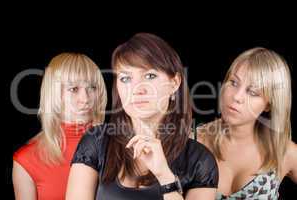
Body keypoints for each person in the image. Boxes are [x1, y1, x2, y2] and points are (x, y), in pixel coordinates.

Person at [66, 33, 219, 200]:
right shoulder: (96, 142)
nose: (137, 88)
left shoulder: (200, 161)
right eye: (125, 78)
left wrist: (165, 176)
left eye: (150, 76)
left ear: (174, 83)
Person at [196, 47, 297, 199]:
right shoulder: (192, 140)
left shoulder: (284, 152)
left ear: (269, 104)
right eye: (234, 82)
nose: (237, 97)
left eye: (253, 92)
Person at [12, 52, 107, 200]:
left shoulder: (119, 146)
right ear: (53, 94)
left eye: (92, 87)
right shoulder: (27, 159)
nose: (85, 99)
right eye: (74, 89)